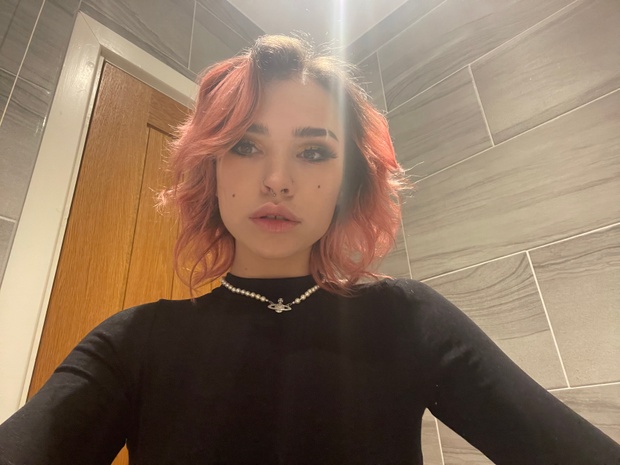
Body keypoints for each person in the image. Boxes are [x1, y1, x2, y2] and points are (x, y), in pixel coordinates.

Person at [0, 35, 618, 465]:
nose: (277, 180)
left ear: (348, 184)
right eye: (246, 146)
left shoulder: (408, 319)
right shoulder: (133, 343)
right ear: (211, 170)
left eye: (314, 151)